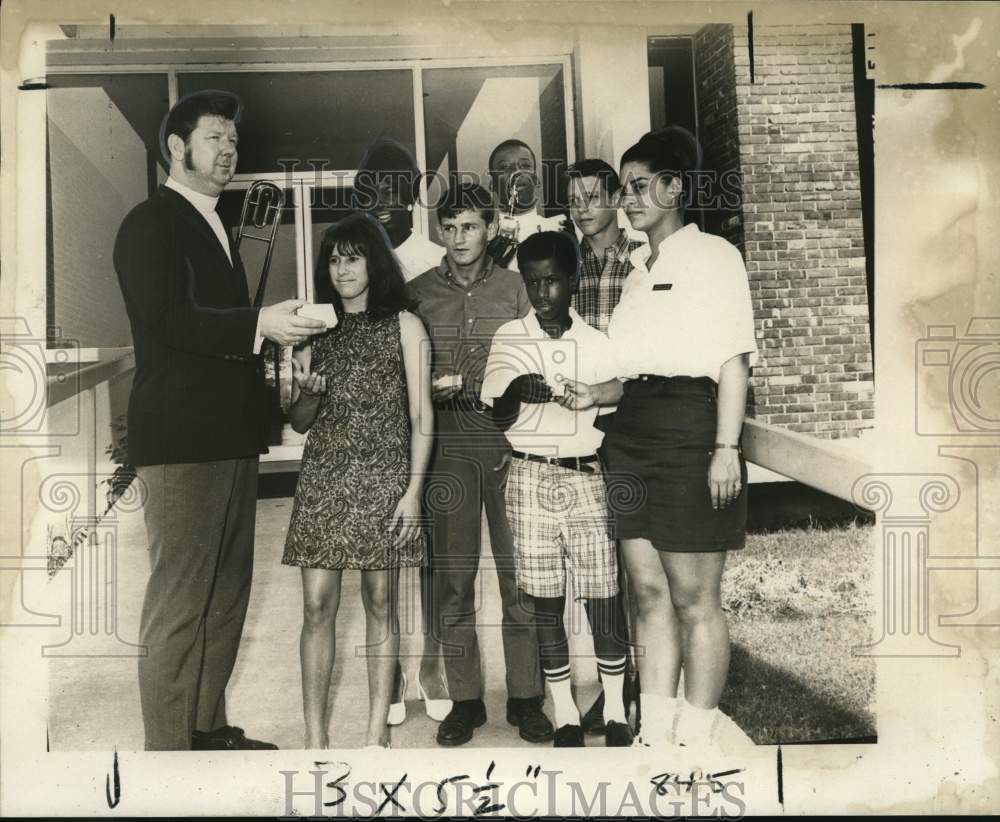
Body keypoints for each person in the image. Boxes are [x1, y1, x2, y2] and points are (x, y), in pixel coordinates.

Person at [113, 89, 327, 751]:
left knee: (224, 594)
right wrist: (259, 322)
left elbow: (217, 337)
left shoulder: (214, 222)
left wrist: (270, 346)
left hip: (227, 438)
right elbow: (169, 322)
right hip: (182, 440)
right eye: (213, 137)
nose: (228, 148)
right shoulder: (150, 223)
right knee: (181, 602)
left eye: (232, 138)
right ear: (175, 149)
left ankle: (205, 727)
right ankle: (168, 754)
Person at [560, 127, 758, 750]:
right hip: (633, 429)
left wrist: (726, 448)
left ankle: (695, 738)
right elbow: (637, 368)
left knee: (694, 597)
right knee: (646, 592)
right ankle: (657, 728)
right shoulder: (641, 268)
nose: (629, 201)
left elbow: (731, 361)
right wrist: (598, 393)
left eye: (641, 186)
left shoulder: (714, 257)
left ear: (675, 187)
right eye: (628, 189)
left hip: (689, 432)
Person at [281, 213, 433, 749]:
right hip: (325, 477)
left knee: (379, 603)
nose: (342, 269)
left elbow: (422, 419)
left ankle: (375, 736)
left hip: (386, 480)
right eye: (334, 258)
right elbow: (298, 421)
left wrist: (413, 493)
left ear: (375, 261)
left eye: (353, 257)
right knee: (317, 606)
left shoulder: (406, 326)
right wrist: (311, 394)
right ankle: (315, 739)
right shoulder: (313, 331)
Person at [409, 181, 552, 747]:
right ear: (439, 231)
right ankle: (465, 700)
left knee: (520, 577)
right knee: (454, 580)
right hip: (448, 447)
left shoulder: (519, 288)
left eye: (471, 225)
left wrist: (489, 385)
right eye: (450, 227)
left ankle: (526, 697)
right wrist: (427, 389)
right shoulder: (418, 292)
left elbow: (538, 367)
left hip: (508, 444)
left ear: (491, 228)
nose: (460, 237)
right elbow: (404, 369)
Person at [480, 231, 634, 748]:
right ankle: (565, 710)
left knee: (603, 595)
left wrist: (585, 410)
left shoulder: (596, 342)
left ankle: (614, 708)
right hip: (528, 475)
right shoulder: (509, 338)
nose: (542, 293)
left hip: (586, 474)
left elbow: (615, 414)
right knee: (544, 599)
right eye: (532, 282)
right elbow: (495, 412)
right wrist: (515, 391)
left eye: (552, 281)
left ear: (571, 281)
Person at [353, 138, 448, 725]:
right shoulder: (354, 260)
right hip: (370, 436)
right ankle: (387, 676)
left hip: (426, 427)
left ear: (414, 192)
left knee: (433, 554)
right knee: (378, 557)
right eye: (372, 188)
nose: (383, 199)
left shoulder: (436, 258)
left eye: (394, 186)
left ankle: (432, 666)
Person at [565, 158, 647, 736]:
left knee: (638, 567)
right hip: (578, 431)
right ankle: (615, 691)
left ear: (616, 197)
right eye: (574, 197)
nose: (583, 205)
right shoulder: (566, 263)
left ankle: (644, 688)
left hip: (631, 422)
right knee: (600, 576)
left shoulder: (640, 260)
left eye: (594, 195)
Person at [354, 138, 444, 281]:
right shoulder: (356, 263)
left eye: (389, 191)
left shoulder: (436, 260)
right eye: (371, 194)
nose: (379, 202)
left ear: (408, 195)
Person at [487, 139, 569, 271]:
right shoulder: (483, 237)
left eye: (525, 166)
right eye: (504, 168)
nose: (516, 172)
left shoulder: (560, 228)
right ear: (492, 184)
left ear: (536, 178)